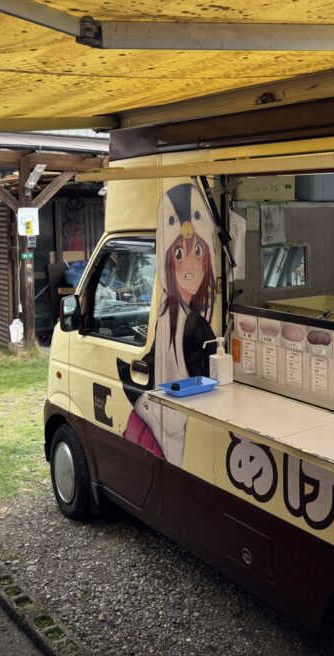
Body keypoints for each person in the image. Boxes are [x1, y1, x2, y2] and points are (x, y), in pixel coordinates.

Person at [123, 183, 217, 464]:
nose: (191, 264)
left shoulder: (195, 325)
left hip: (159, 427)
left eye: (197, 251)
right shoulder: (181, 318)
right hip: (159, 427)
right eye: (179, 254)